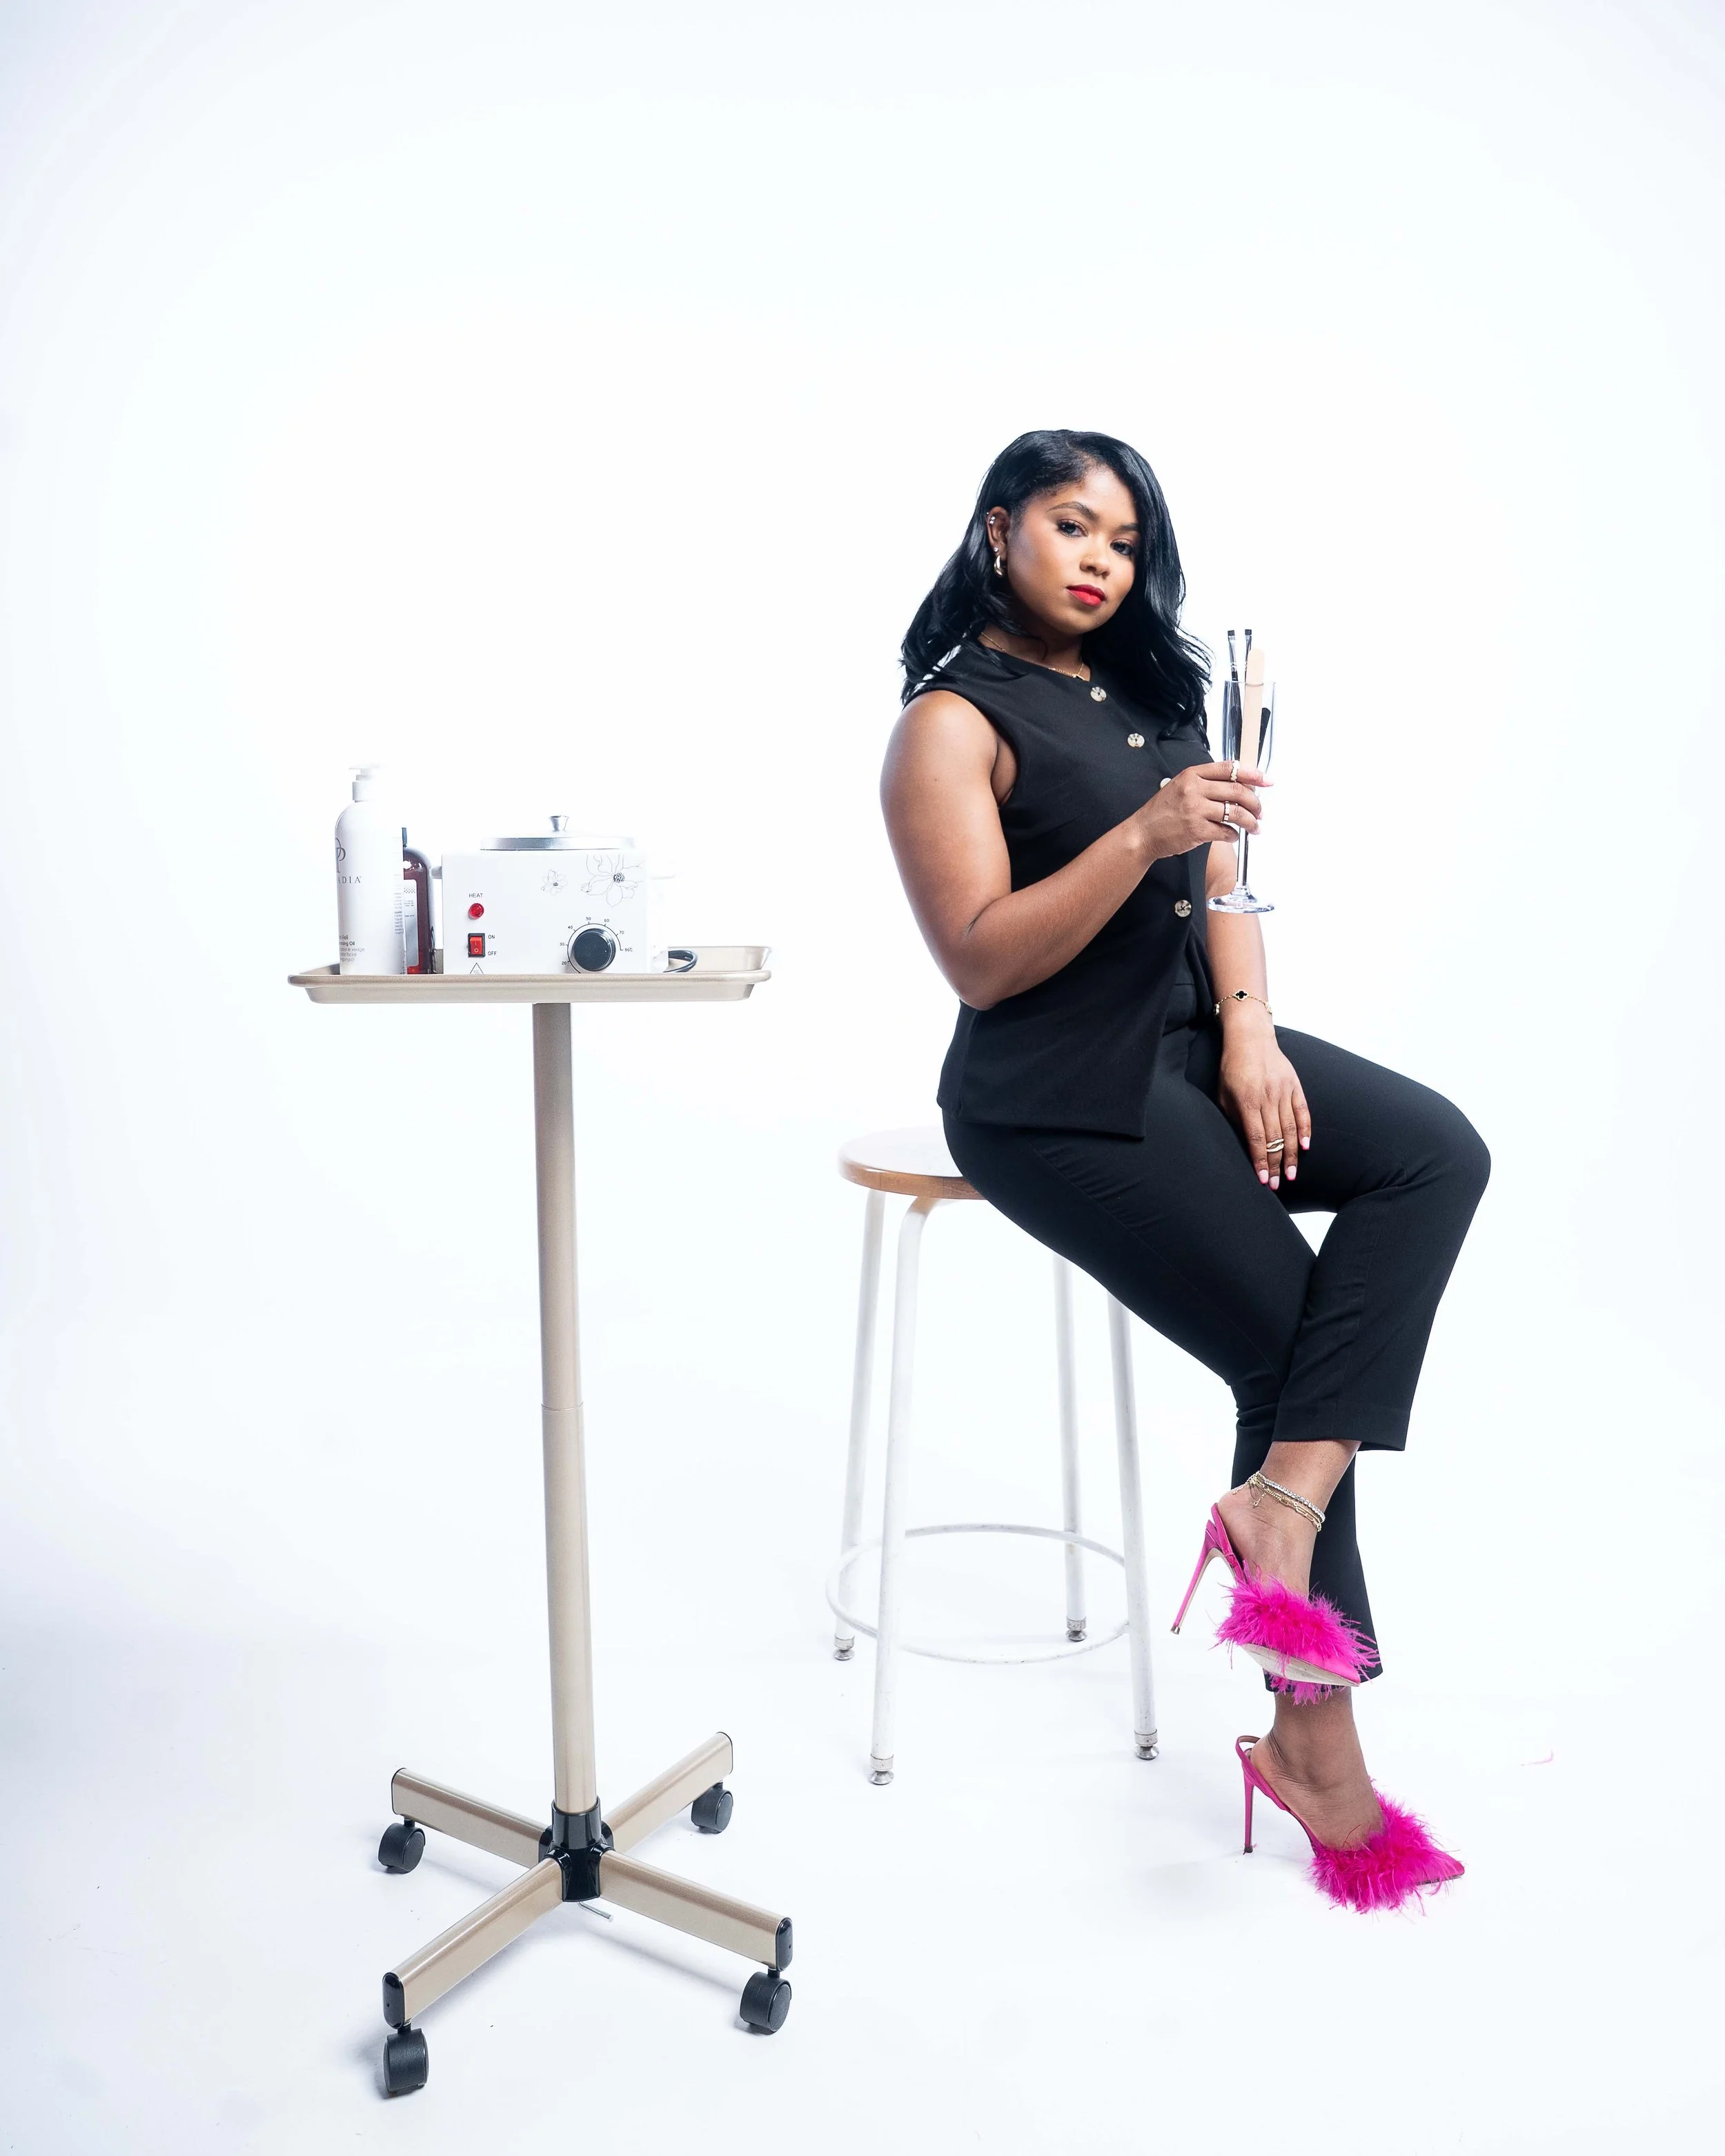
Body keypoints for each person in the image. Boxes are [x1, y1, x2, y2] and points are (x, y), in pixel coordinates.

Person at [879, 429, 1489, 1912]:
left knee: (1432, 1151)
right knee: (1293, 1346)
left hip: (1178, 1042)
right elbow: (978, 955)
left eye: (1126, 540)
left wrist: (1250, 1032)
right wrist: (1141, 829)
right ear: (996, 526)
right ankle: (1318, 1744)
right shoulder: (945, 723)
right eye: (1071, 525)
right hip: (1045, 1093)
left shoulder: (1153, 686)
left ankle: (1279, 1501)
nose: (1099, 558)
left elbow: (1220, 877)